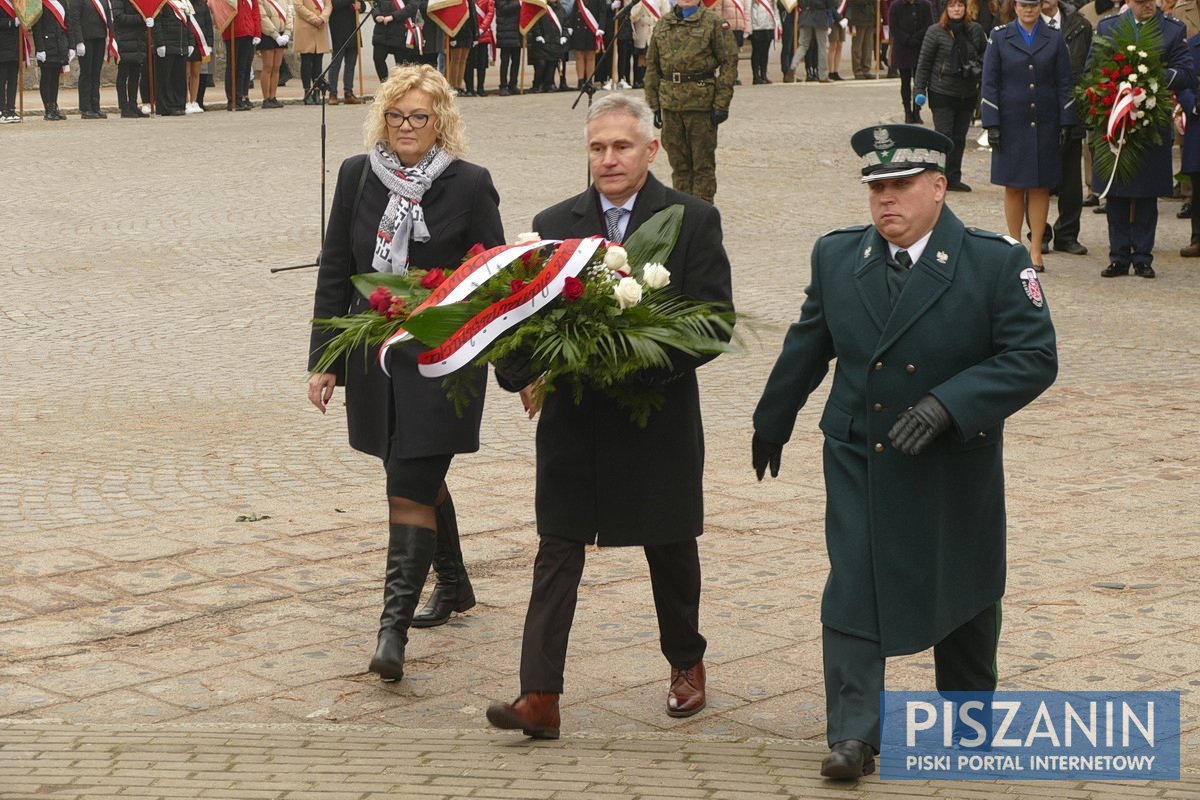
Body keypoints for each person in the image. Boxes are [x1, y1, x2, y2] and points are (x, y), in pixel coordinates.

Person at [752, 123, 1058, 781]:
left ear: (940, 187)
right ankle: (854, 735)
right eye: (876, 188)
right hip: (862, 450)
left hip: (953, 458)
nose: (885, 200)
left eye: (900, 186)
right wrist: (771, 419)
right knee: (855, 583)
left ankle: (970, 719)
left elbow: (1034, 357)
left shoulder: (994, 261)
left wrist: (951, 403)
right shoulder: (839, 257)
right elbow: (810, 342)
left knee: (964, 584)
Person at [485, 93, 734, 741]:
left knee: (670, 546)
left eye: (621, 146)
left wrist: (637, 357)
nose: (608, 158)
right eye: (597, 147)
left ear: (651, 150)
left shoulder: (692, 219)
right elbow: (525, 318)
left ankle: (686, 661)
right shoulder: (553, 223)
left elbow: (713, 323)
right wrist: (517, 366)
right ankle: (540, 695)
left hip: (656, 417)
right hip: (574, 423)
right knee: (558, 548)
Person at [308, 64, 504, 681]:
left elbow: (497, 282)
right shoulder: (356, 174)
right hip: (375, 356)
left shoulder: (470, 185)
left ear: (440, 121)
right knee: (407, 466)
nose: (406, 128)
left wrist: (521, 369)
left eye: (419, 117)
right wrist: (325, 360)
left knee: (408, 483)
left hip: (442, 359)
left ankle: (390, 633)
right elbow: (336, 268)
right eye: (396, 116)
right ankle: (455, 582)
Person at [1092, 0, 1194, 279]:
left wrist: (1150, 78)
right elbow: (1093, 69)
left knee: (1147, 194)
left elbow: (1185, 72)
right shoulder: (1108, 27)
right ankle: (1119, 256)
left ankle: (1143, 257)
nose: (1148, 4)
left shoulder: (1173, 30)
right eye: (1141, 1)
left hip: (1151, 121)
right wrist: (1114, 87)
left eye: (1152, 0)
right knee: (1116, 192)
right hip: (1116, 120)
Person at [980, 0, 1073, 271]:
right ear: (1016, 7)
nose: (1029, 9)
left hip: (1045, 122)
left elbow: (1065, 82)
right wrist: (992, 123)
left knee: (1040, 185)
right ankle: (1015, 246)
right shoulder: (999, 36)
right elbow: (989, 83)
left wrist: (1066, 120)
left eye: (1033, 4)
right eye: (1024, 4)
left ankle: (1035, 250)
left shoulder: (1054, 38)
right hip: (1011, 122)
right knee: (1013, 185)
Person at [644, 0, 738, 204]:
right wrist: (653, 104)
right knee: (679, 166)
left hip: (701, 105)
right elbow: (652, 66)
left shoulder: (714, 22)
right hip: (670, 105)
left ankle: (702, 214)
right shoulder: (663, 24)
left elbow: (729, 62)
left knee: (702, 165)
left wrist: (722, 102)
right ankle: (683, 213)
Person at [913, 0, 986, 190]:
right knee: (944, 135)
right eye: (952, 6)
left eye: (960, 5)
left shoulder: (975, 30)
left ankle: (953, 177)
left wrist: (977, 67)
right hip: (942, 91)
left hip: (967, 92)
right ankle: (938, 176)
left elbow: (986, 55)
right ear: (946, 8)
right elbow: (924, 63)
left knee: (959, 137)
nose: (956, 9)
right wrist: (919, 90)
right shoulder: (935, 31)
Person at [1043, 0, 1091, 255]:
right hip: (1037, 113)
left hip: (1072, 109)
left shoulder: (1080, 25)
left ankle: (1067, 234)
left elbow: (1089, 64)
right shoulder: (1023, 25)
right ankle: (1039, 233)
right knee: (1036, 178)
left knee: (1071, 179)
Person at [69, 0, 115, 119]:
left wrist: (111, 38)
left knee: (96, 74)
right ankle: (86, 107)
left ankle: (95, 105)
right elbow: (74, 19)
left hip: (100, 37)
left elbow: (108, 18)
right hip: (86, 39)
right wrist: (79, 41)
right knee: (86, 73)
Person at [888, 0, 933, 121]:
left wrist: (918, 37)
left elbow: (929, 24)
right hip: (903, 49)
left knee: (920, 82)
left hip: (920, 48)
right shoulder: (896, 6)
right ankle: (907, 110)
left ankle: (917, 109)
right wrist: (906, 39)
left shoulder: (925, 5)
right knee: (905, 81)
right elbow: (893, 27)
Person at [33, 0, 72, 120]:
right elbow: (37, 27)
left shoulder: (62, 2)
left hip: (60, 44)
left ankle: (54, 105)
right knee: (46, 77)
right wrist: (40, 48)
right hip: (46, 45)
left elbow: (67, 24)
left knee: (55, 77)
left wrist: (72, 45)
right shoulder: (40, 3)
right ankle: (48, 108)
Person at [111, 0, 149, 117]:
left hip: (138, 40)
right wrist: (141, 18)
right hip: (124, 40)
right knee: (123, 75)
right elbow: (119, 17)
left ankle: (133, 104)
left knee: (135, 74)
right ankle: (124, 106)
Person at [224, 0, 263, 110]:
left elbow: (255, 13)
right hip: (234, 33)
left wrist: (257, 33)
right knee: (233, 66)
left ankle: (242, 95)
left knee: (244, 67)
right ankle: (233, 99)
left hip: (249, 33)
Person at [788, 0, 836, 81]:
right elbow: (831, 4)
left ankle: (792, 67)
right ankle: (823, 75)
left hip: (805, 15)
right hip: (820, 16)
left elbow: (799, 3)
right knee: (822, 47)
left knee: (803, 45)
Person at [295, 0, 333, 103]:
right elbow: (298, 6)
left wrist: (322, 18)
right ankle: (307, 91)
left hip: (320, 27)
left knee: (318, 62)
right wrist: (314, 19)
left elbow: (328, 5)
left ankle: (317, 90)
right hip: (306, 26)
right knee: (306, 61)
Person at [327, 0, 363, 104]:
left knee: (351, 65)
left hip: (353, 30)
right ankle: (332, 93)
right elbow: (333, 5)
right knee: (335, 64)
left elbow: (363, 5)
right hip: (339, 31)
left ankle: (348, 93)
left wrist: (360, 6)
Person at [258, 0, 291, 108]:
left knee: (277, 67)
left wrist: (287, 32)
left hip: (282, 34)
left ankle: (273, 96)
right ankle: (266, 98)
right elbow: (263, 17)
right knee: (268, 66)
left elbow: (290, 14)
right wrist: (275, 35)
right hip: (268, 34)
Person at [186, 0, 215, 112]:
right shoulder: (185, 5)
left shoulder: (203, 6)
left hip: (200, 45)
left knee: (196, 73)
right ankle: (186, 101)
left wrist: (209, 44)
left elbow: (208, 25)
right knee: (186, 74)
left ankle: (194, 101)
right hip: (188, 43)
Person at [571, 0, 607, 88]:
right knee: (579, 55)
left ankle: (589, 80)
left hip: (592, 29)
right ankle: (580, 81)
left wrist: (601, 27)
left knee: (590, 56)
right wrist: (570, 26)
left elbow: (602, 12)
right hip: (579, 29)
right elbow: (574, 11)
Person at [464, 0, 493, 96]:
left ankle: (481, 88)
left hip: (483, 34)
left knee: (482, 63)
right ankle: (469, 88)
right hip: (469, 33)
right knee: (469, 63)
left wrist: (481, 29)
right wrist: (473, 30)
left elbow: (490, 13)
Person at [494, 0, 521, 93]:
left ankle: (513, 84)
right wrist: (518, 3)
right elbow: (503, 8)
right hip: (505, 33)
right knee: (505, 62)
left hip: (517, 33)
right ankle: (503, 86)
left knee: (516, 61)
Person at [749, 0, 777, 84]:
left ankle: (763, 74)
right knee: (757, 51)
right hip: (756, 26)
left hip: (768, 24)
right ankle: (756, 76)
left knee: (765, 52)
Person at [848, 0, 877, 79]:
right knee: (857, 47)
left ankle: (866, 69)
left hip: (870, 17)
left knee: (868, 47)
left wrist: (877, 18)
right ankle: (857, 70)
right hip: (858, 18)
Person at [0, 0, 18, 122]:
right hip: (1, 47)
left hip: (15, 47)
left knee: (13, 81)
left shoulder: (16, 3)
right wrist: (12, 22)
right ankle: (2, 109)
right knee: (1, 81)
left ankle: (11, 108)